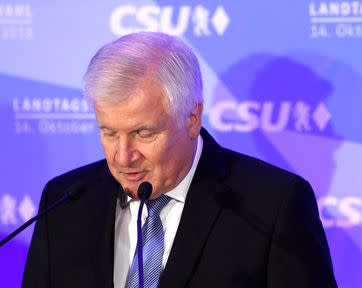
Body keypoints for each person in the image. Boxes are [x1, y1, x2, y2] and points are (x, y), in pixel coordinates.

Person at [22, 32, 337, 288]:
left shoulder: (273, 204)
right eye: (108, 132)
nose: (123, 156)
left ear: (192, 118)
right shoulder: (65, 201)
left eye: (143, 133)